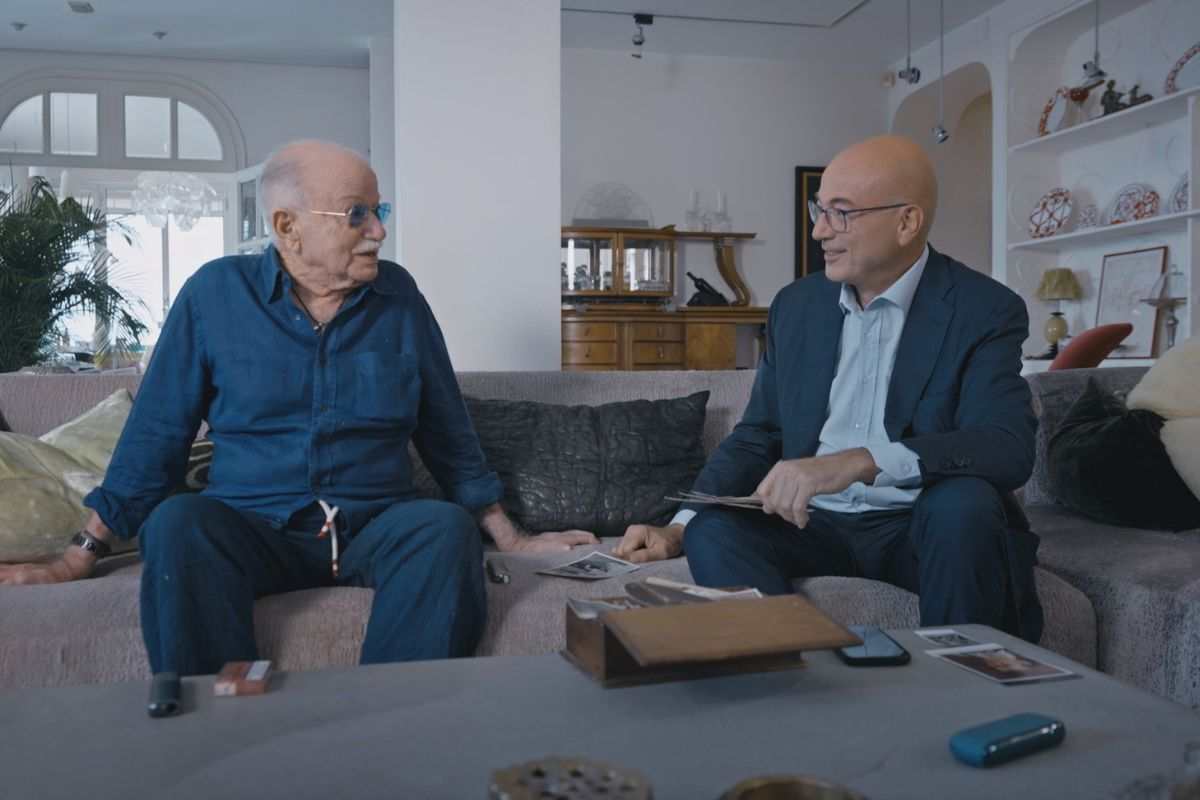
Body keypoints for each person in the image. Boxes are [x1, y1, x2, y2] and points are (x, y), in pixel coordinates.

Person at [0, 140, 596, 673]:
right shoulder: (215, 294)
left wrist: (511, 537)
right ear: (288, 226)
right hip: (251, 525)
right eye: (357, 214)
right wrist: (79, 555)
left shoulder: (400, 298)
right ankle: (222, 725)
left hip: (374, 524)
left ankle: (393, 724)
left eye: (379, 211)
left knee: (442, 529)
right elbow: (155, 436)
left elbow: (448, 431)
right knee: (177, 524)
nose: (378, 231)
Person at [614, 135, 1043, 642]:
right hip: (812, 526)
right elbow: (758, 435)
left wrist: (859, 461)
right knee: (715, 529)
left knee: (964, 504)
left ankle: (959, 680)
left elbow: (1006, 446)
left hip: (921, 526)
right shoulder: (796, 307)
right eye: (819, 210)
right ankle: (789, 673)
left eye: (841, 213)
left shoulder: (984, 309)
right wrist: (679, 525)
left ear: (907, 222)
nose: (820, 230)